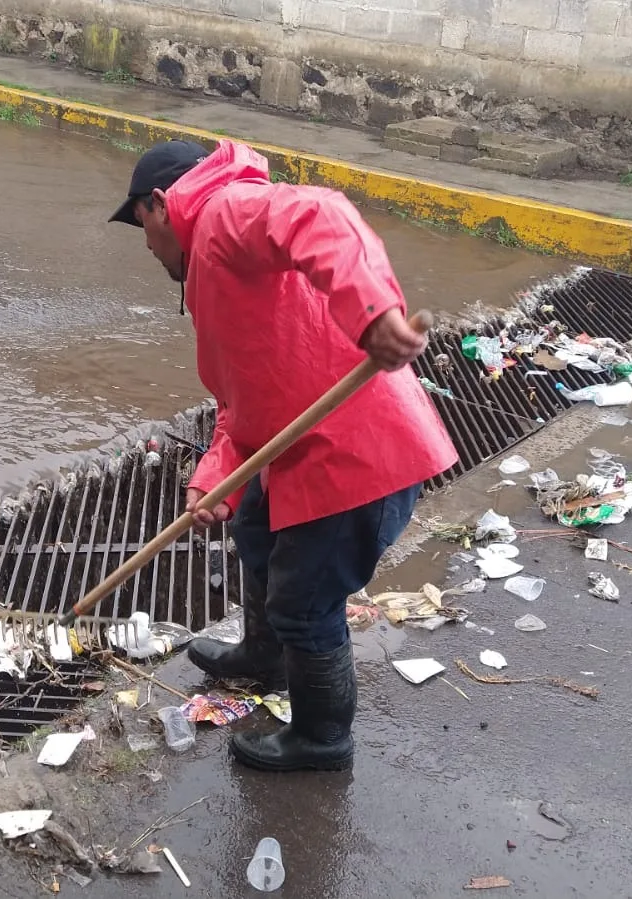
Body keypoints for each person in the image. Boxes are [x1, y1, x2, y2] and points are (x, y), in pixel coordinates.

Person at [108, 139, 458, 772]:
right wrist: (215, 478)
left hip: (353, 454)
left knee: (305, 603)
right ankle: (264, 656)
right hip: (297, 449)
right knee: (253, 529)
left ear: (161, 204)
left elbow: (319, 216)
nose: (147, 247)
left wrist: (372, 309)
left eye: (142, 228)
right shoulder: (212, 266)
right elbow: (241, 397)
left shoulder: (222, 213)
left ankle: (323, 738)